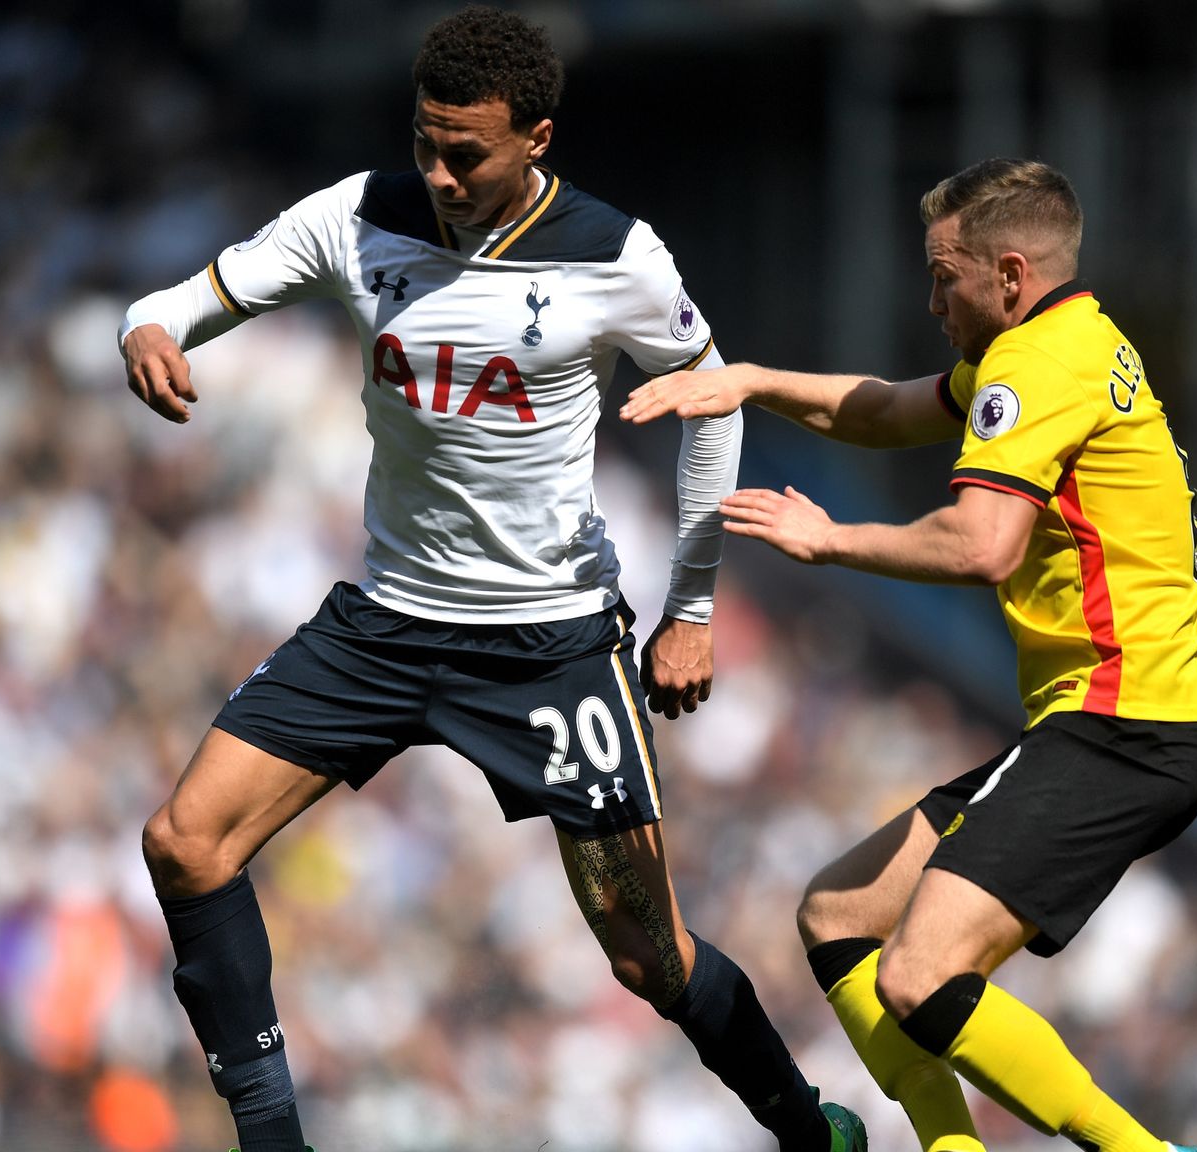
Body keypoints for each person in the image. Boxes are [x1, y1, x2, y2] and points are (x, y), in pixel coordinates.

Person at [118, 8, 866, 1151]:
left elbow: (714, 408)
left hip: (547, 645)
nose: (437, 172)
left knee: (645, 956)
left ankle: (803, 1126)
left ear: (537, 140)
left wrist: (693, 605)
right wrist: (151, 332)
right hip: (383, 623)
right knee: (184, 842)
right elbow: (180, 300)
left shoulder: (615, 257)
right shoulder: (354, 217)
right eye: (423, 141)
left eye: (463, 152)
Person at [622, 157, 1197, 1152]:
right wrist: (752, 381)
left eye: (944, 276)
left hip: (1123, 721)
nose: (929, 298)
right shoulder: (1054, 345)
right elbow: (890, 409)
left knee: (917, 972)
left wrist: (829, 539)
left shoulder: (1038, 363)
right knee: (838, 916)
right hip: (1120, 719)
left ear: (1010, 274)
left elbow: (983, 545)